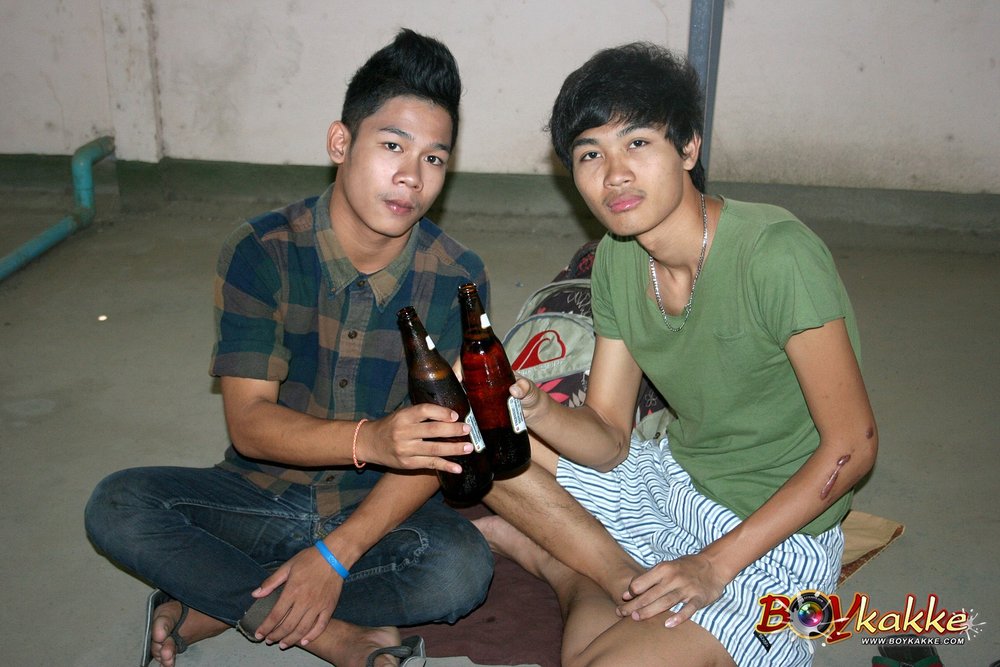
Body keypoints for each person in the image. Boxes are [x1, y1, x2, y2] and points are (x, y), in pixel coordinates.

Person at [85, 28, 494, 667]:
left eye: (434, 159)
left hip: (376, 511)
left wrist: (336, 554)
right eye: (392, 145)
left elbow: (437, 449)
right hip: (262, 493)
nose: (411, 177)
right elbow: (250, 425)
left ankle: (221, 599)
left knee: (460, 571)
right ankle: (333, 635)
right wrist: (371, 439)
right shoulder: (262, 251)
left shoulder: (456, 277)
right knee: (119, 506)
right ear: (341, 143)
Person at [478, 42, 878, 666]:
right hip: (672, 485)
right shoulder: (618, 257)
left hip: (776, 538)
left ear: (688, 147)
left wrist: (712, 566)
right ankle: (615, 574)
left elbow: (854, 445)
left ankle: (560, 561)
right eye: (590, 154)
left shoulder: (777, 255)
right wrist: (534, 409)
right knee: (473, 428)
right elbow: (610, 438)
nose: (614, 174)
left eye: (637, 142)